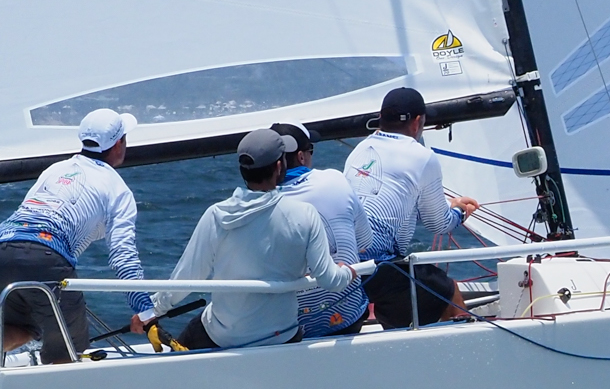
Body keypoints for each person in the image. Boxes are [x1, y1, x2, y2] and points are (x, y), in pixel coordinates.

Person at [0, 108, 154, 363]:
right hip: (44, 254)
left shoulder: (56, 169)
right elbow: (123, 256)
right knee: (70, 352)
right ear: (118, 144)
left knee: (24, 325)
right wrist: (145, 310)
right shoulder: (117, 188)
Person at [160, 128, 360, 349]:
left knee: (186, 341)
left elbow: (186, 278)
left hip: (225, 336)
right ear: (279, 166)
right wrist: (347, 272)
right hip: (281, 334)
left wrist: (152, 311)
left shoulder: (216, 215)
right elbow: (330, 280)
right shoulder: (304, 214)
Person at [345, 86, 481, 328]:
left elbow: (389, 207)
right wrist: (460, 212)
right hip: (375, 266)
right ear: (418, 122)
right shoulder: (422, 156)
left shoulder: (360, 150)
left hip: (342, 262)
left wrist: (447, 204)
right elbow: (439, 224)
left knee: (402, 287)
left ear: (381, 117)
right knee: (448, 291)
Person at [271, 121, 371, 338]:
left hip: (289, 330)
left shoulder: (260, 205)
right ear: (301, 157)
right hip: (348, 318)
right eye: (311, 150)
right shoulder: (335, 179)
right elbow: (364, 242)